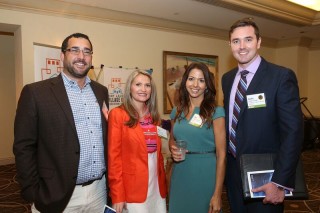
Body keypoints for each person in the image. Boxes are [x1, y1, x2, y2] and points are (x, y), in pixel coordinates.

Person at [13, 33, 109, 213]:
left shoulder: (101, 91)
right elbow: (23, 146)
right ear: (62, 56)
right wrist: (33, 191)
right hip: (57, 194)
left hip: (99, 191)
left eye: (87, 52)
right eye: (75, 50)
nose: (81, 56)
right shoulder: (36, 93)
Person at [222, 18, 303, 212]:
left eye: (248, 40)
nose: (242, 46)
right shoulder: (227, 79)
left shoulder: (281, 77)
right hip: (233, 175)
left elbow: (293, 133)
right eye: (236, 41)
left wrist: (279, 182)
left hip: (267, 178)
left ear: (259, 42)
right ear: (230, 44)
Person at [169, 62, 226, 213]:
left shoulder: (216, 112)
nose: (195, 84)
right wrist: (173, 149)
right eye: (191, 79)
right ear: (185, 81)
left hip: (206, 175)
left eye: (201, 80)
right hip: (181, 174)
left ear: (207, 85)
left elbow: (222, 155)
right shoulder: (177, 111)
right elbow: (172, 139)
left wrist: (218, 194)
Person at [108, 70, 167, 213]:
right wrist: (117, 195)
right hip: (133, 189)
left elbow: (158, 156)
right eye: (138, 84)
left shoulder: (154, 117)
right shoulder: (118, 114)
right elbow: (113, 159)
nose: (143, 89)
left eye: (147, 85)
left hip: (156, 187)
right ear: (130, 88)